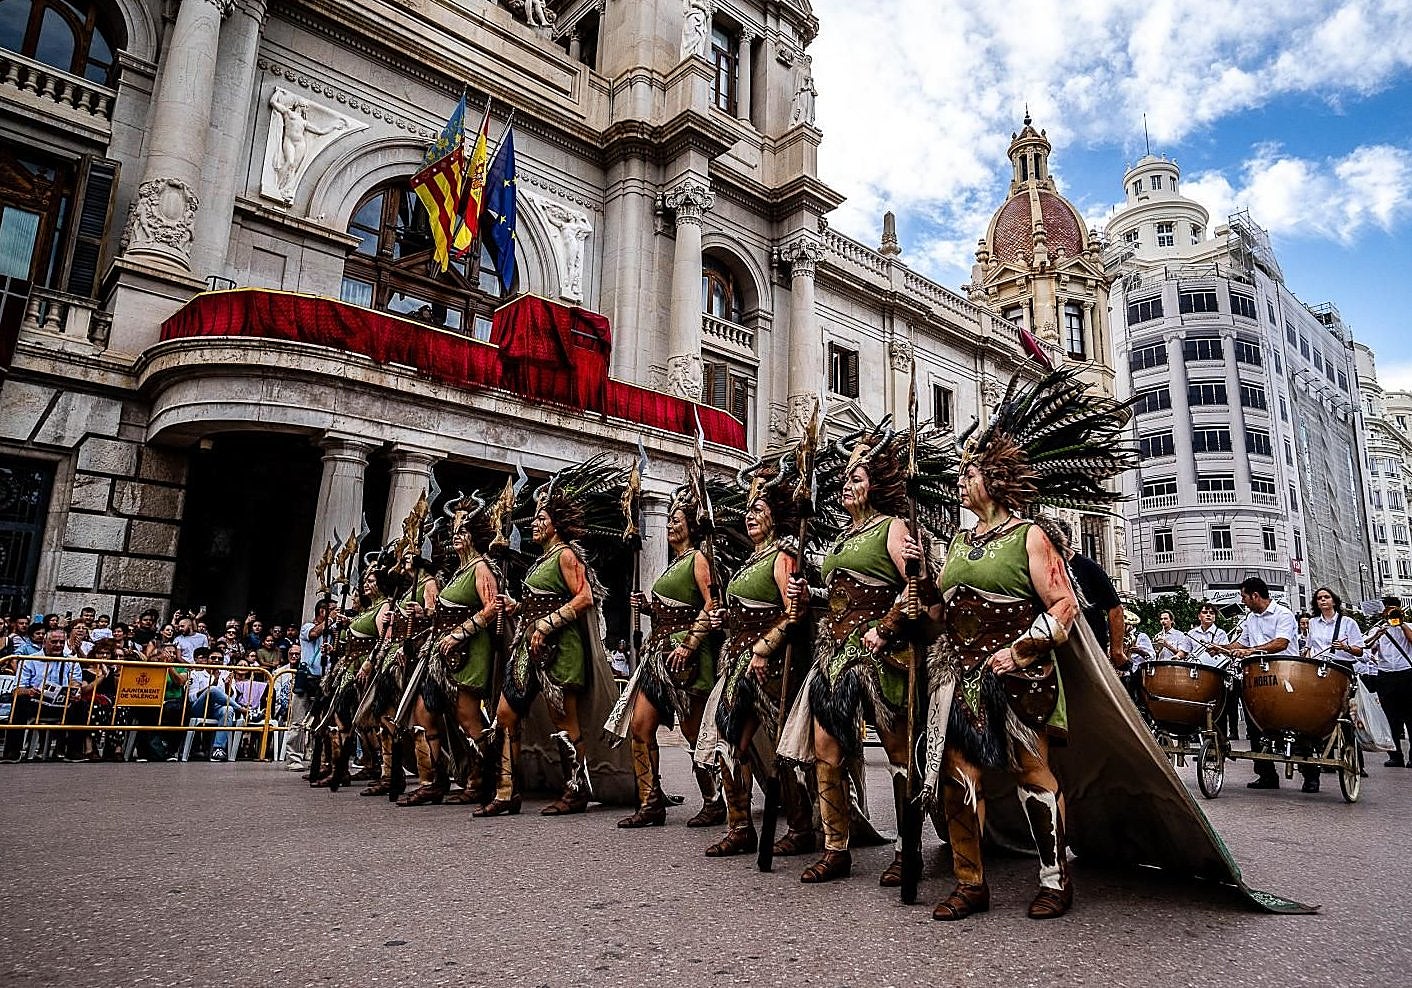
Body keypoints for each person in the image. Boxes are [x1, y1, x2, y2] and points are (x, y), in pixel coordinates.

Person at [788, 432, 922, 886]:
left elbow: (916, 587)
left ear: (876, 487)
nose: (846, 485)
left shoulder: (893, 527)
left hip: (881, 654)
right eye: (845, 478)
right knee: (826, 749)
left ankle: (909, 850)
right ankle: (835, 848)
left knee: (898, 752)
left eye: (856, 478)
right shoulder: (843, 536)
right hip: (834, 655)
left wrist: (884, 630)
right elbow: (840, 596)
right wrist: (810, 595)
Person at [481, 459, 630, 816]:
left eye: (541, 519)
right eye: (534, 518)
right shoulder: (540, 559)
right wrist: (514, 605)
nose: (534, 523)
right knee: (505, 714)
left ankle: (576, 788)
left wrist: (547, 625)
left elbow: (585, 598)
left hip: (560, 649)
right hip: (527, 648)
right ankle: (506, 791)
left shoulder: (565, 555)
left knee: (565, 720)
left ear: (556, 525)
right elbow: (539, 601)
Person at [696, 461, 799, 857]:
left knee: (784, 747)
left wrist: (764, 648)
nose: (749, 515)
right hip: (735, 662)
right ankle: (739, 826)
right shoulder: (749, 560)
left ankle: (802, 825)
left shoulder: (782, 558)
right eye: (748, 509)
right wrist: (725, 618)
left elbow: (794, 612)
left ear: (775, 515)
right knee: (727, 744)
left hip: (764, 668)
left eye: (759, 509)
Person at [608, 485, 723, 829]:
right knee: (640, 727)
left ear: (691, 525)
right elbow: (670, 608)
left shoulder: (698, 559)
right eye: (669, 520)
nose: (671, 525)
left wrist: (689, 645)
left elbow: (711, 604)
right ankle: (650, 801)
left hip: (685, 658)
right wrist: (647, 605)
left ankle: (715, 800)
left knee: (693, 733)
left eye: (677, 520)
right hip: (657, 656)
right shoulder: (675, 565)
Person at [400, 493, 504, 806]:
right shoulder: (458, 573)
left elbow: (491, 609)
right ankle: (431, 780)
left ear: (474, 535)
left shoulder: (481, 568)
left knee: (468, 716)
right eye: (454, 531)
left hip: (468, 652)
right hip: (440, 655)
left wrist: (459, 634)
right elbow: (445, 609)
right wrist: (423, 614)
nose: (457, 535)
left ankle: (481, 780)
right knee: (423, 712)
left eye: (463, 530)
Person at [1226, 577, 1320, 793]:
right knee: (1255, 724)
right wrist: (1222, 647)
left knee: (1293, 724)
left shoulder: (1283, 614)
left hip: (1286, 675)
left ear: (1255, 596)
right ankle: (1266, 774)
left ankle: (1310, 774)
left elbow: (1282, 643)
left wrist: (1250, 651)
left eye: (1244, 596)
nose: (1243, 601)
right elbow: (1242, 643)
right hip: (1258, 676)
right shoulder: (1250, 618)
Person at [1052, 518, 1125, 669]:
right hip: (1058, 647)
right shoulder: (1045, 568)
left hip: (1091, 645)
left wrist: (1116, 651)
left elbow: (1115, 608)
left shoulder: (1089, 567)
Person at [2, 629, 84, 761]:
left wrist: (75, 692)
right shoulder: (29, 660)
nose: (58, 645)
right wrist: (30, 691)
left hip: (61, 704)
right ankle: (12, 752)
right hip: (35, 702)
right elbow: (17, 689)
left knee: (81, 705)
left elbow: (75, 682)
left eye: (61, 642)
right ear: (44, 642)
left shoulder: (71, 661)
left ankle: (73, 751)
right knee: (19, 701)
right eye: (54, 642)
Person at [1367, 595, 1412, 768]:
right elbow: (1366, 646)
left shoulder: (1407, 627)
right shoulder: (1378, 629)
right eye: (1388, 609)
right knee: (1390, 718)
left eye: (1394, 609)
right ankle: (1395, 755)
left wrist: (1401, 624)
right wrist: (1378, 633)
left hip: (1407, 673)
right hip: (1386, 675)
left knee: (1410, 717)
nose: (1391, 612)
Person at [1187, 602, 1237, 737]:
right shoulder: (1191, 633)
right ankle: (1198, 734)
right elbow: (1185, 652)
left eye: (1212, 613)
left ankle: (1219, 738)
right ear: (1199, 616)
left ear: (1215, 617)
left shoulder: (1220, 633)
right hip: (1197, 674)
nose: (1208, 615)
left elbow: (1226, 653)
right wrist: (1177, 656)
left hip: (1215, 673)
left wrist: (1217, 648)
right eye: (1205, 612)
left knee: (1216, 706)